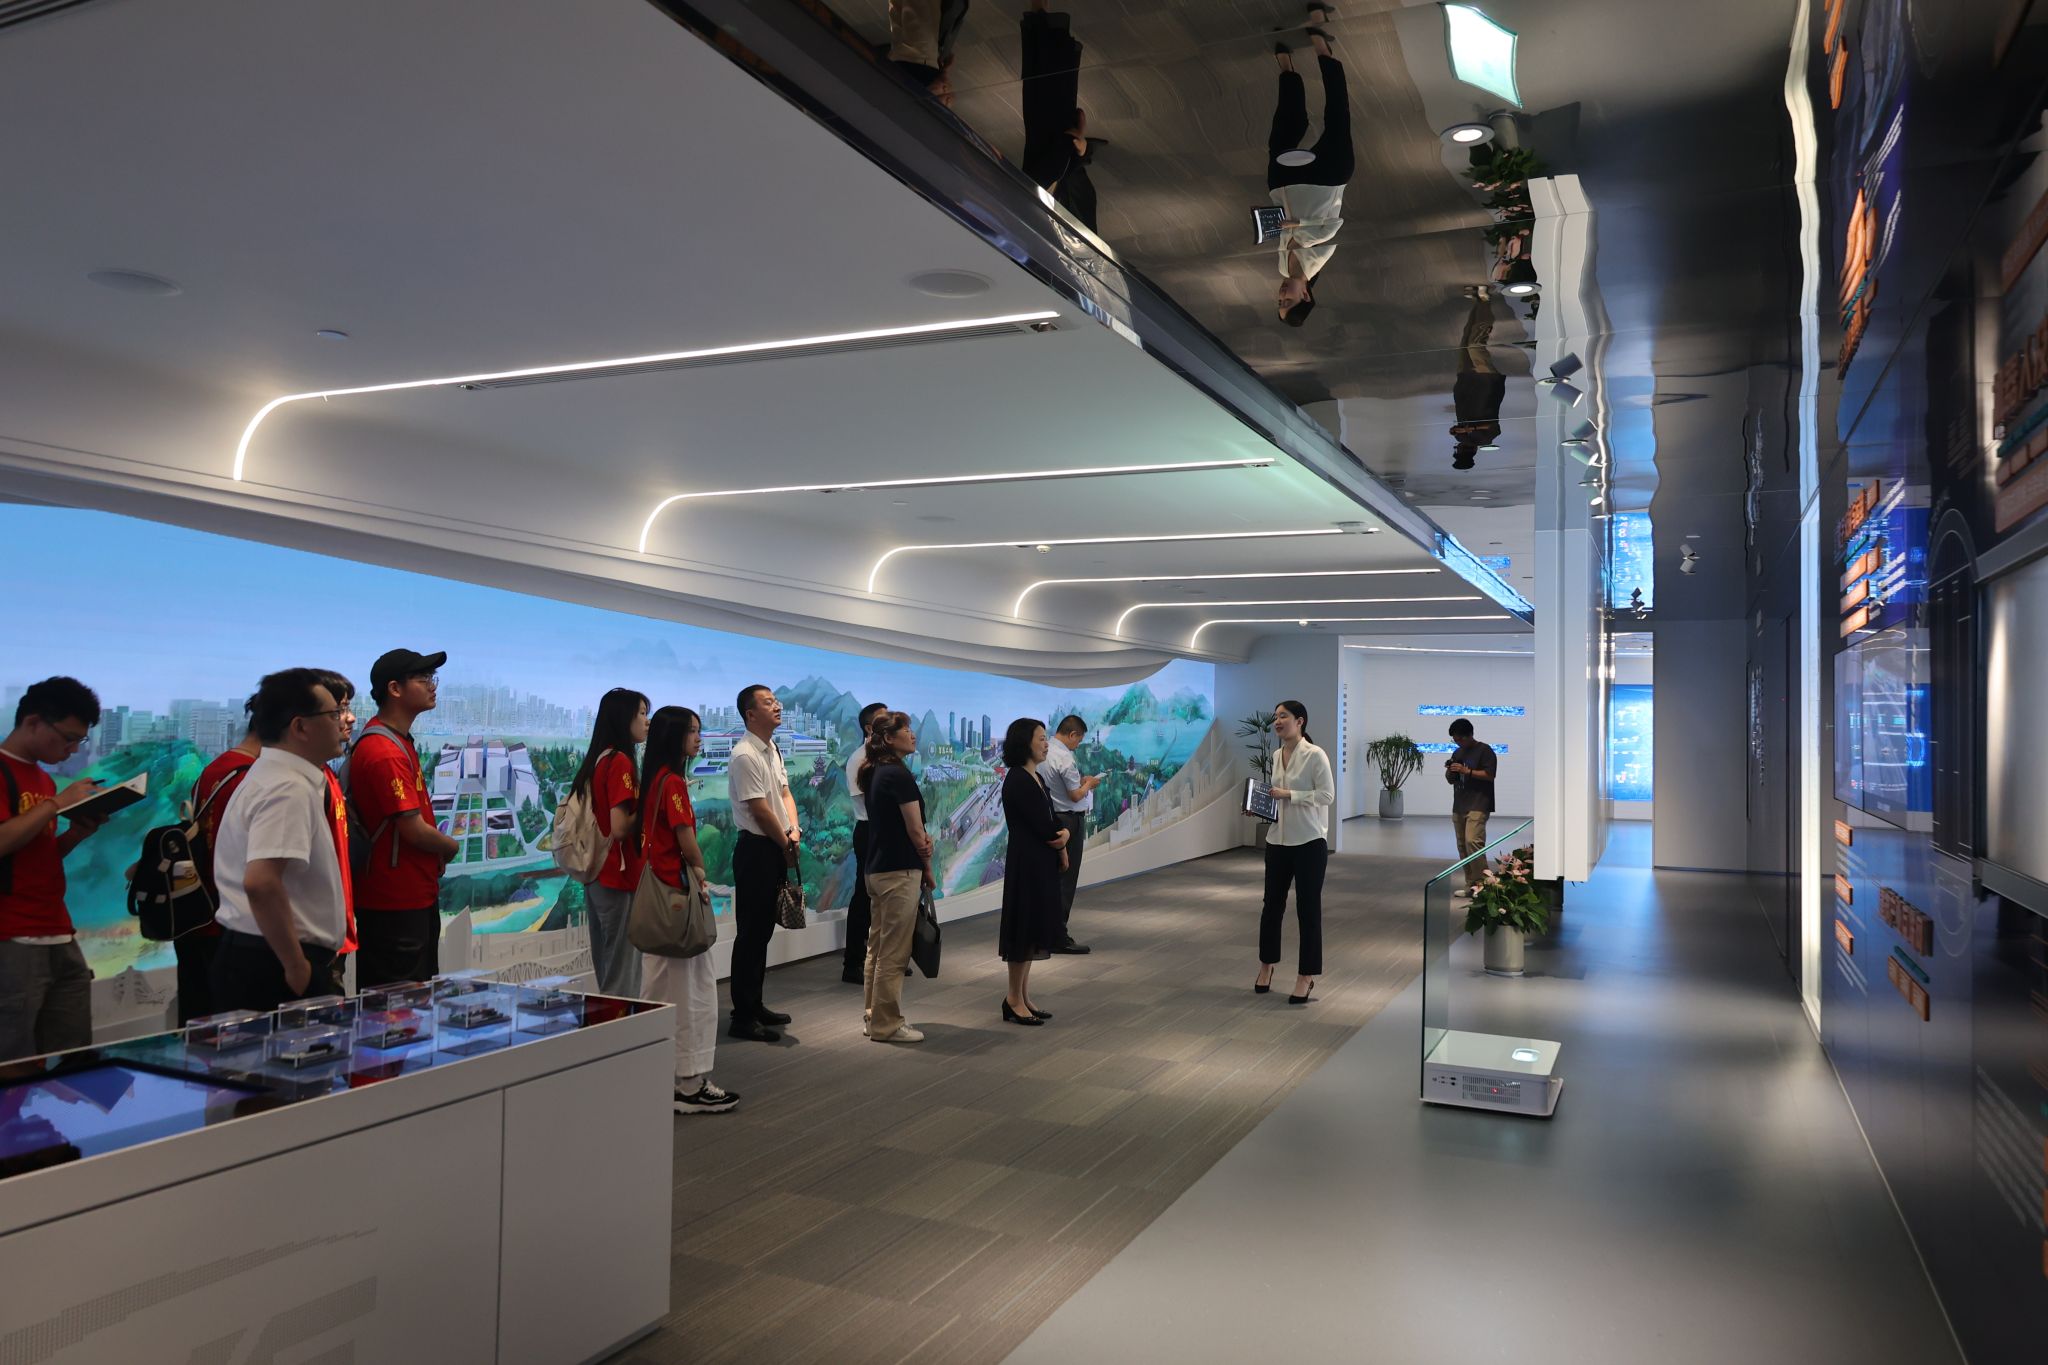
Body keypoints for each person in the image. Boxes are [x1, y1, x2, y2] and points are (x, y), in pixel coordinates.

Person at [209, 669, 352, 1013]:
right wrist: (296, 966)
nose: (343, 722)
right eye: (333, 714)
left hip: (262, 953)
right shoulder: (288, 787)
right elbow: (261, 882)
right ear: (300, 727)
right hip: (275, 962)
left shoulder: (272, 774)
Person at [0, 677, 108, 1061]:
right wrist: (56, 805)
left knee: (74, 1054)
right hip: (12, 935)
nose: (72, 749)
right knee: (15, 1060)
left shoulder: (44, 779)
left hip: (58, 929)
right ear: (33, 722)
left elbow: (35, 856)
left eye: (80, 741)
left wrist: (76, 834)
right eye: (68, 738)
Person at [640, 707, 738, 1113]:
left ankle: (657, 1076)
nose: (699, 738)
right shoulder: (674, 783)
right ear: (674, 737)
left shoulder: (652, 780)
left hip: (658, 900)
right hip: (679, 897)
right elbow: (686, 838)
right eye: (692, 731)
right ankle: (690, 1083)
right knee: (694, 990)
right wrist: (700, 871)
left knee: (659, 987)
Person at [348, 649, 458, 989]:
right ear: (394, 689)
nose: (432, 686)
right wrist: (449, 846)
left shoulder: (398, 741)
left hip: (411, 893)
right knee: (396, 1005)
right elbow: (412, 829)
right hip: (394, 900)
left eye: (432, 678)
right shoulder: (384, 751)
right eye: (423, 679)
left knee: (415, 998)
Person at [726, 684, 800, 1043]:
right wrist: (785, 843)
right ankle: (742, 1016)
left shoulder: (772, 749)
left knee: (763, 932)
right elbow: (759, 809)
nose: (778, 706)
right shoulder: (745, 755)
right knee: (751, 934)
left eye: (776, 701)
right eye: (769, 703)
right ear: (750, 714)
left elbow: (784, 794)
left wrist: (794, 831)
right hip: (756, 850)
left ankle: (754, 1005)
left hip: (775, 846)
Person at [1267, 10, 1350, 327]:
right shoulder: (1318, 259)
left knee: (1282, 133)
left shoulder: (1282, 268)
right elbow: (1333, 227)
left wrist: (1274, 223)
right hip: (1326, 180)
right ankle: (1322, 51)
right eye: (1287, 300)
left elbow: (1283, 229)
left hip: (1285, 187)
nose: (1281, 295)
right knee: (1337, 117)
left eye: (1278, 301)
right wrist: (1298, 224)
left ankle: (1287, 70)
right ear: (1306, 295)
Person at [857, 711, 934, 1044]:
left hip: (877, 871)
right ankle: (886, 1024)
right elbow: (916, 830)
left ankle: (873, 1016)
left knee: (876, 948)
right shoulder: (898, 775)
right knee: (894, 953)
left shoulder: (875, 772)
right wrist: (927, 861)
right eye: (905, 730)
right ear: (889, 738)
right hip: (899, 872)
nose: (912, 735)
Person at [182, 707, 261, 1023]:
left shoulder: (214, 770)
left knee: (199, 1020)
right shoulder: (253, 777)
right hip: (234, 923)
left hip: (199, 912)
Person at [570, 688, 649, 998]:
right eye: (641, 713)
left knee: (608, 965)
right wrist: (648, 804)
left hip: (599, 875)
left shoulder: (599, 759)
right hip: (618, 876)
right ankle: (623, 1025)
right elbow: (619, 827)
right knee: (622, 973)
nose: (647, 721)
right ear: (623, 718)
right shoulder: (620, 762)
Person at [1255, 699, 1333, 1005]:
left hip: (1309, 842)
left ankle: (1306, 976)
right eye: (1275, 716)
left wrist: (1289, 795)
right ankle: (1266, 965)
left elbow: (1327, 795)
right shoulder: (1277, 755)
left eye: (1283, 716)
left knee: (1307, 909)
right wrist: (1261, 807)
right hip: (1278, 841)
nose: (1277, 721)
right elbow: (1278, 798)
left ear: (1300, 721)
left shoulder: (1315, 755)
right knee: (1271, 907)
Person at [996, 718, 1066, 1026]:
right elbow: (1044, 826)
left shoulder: (1034, 777)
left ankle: (1022, 996)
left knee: (1032, 926)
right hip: (1027, 863)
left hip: (1039, 862)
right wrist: (1064, 837)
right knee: (1022, 929)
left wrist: (1062, 838)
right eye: (1041, 738)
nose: (1046, 744)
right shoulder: (1018, 780)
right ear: (1025, 742)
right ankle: (1013, 999)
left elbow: (1049, 818)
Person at [1020, 2, 1100, 232]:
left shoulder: (1034, 194)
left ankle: (1040, 14)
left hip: (1047, 118)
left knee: (1046, 54)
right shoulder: (1042, 198)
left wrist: (1076, 145)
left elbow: (1055, 163)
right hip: (1054, 120)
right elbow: (1069, 168)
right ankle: (1040, 15)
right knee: (1049, 55)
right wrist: (1080, 149)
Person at [313, 669, 358, 997]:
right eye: (340, 710)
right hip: (311, 946)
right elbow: (264, 881)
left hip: (329, 940)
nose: (350, 718)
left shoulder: (325, 774)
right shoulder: (295, 786)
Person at [1040, 714, 1100, 954]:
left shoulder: (1045, 753)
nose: (1078, 745)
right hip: (1069, 820)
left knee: (1053, 879)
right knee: (1066, 880)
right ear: (1072, 734)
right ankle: (1059, 936)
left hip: (1051, 818)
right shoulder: (1064, 757)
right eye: (1079, 740)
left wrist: (1079, 784)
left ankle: (1046, 932)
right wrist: (1089, 784)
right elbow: (1075, 796)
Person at [840, 700, 888, 985]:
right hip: (870, 831)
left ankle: (884, 959)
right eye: (884, 718)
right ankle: (853, 963)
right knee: (865, 897)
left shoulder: (885, 757)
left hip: (886, 831)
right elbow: (872, 801)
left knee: (887, 898)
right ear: (870, 728)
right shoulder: (860, 759)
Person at [1450, 286, 1506, 468]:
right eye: (1459, 453)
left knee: (1466, 340)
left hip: (1466, 381)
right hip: (1485, 383)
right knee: (1475, 344)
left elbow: (1457, 425)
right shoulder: (1485, 439)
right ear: (1466, 453)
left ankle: (1478, 303)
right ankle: (1485, 300)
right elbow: (1493, 427)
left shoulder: (1461, 437)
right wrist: (1471, 428)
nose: (1458, 449)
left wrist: (1461, 430)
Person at [1445, 717, 1499, 898]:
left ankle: (1483, 886)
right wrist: (1451, 770)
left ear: (1469, 735)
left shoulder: (1485, 751)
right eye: (1455, 740)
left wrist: (1467, 771)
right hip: (1459, 804)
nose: (1457, 743)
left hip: (1479, 803)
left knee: (1473, 842)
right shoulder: (1457, 752)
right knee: (1462, 846)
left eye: (1459, 739)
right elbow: (1450, 780)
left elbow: (1490, 775)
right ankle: (1471, 885)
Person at [886, 0, 970, 106]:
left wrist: (939, 86)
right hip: (900, 61)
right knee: (901, 7)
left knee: (921, 5)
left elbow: (936, 92)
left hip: (919, 58)